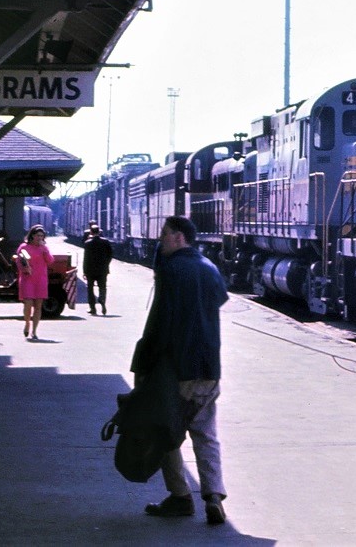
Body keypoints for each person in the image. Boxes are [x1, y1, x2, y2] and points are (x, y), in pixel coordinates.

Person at [131, 215, 229, 525]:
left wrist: (143, 364)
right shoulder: (211, 269)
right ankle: (213, 496)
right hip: (209, 366)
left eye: (164, 233)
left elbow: (158, 323)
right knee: (205, 432)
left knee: (165, 432)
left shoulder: (171, 271)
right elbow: (220, 301)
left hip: (175, 368)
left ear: (179, 237)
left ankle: (180, 496)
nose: (160, 238)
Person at [15, 225, 53, 340]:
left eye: (42, 236)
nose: (40, 238)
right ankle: (27, 322)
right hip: (28, 278)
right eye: (38, 236)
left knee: (38, 306)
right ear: (32, 236)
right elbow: (19, 261)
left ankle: (34, 331)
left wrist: (45, 250)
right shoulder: (24, 247)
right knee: (28, 303)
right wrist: (25, 268)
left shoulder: (43, 248)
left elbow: (50, 261)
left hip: (40, 279)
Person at [82, 225, 113, 315]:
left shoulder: (88, 243)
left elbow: (86, 258)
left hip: (90, 270)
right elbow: (110, 254)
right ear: (99, 232)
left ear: (91, 232)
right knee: (102, 287)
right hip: (103, 270)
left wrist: (84, 271)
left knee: (90, 289)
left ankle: (93, 308)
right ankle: (102, 300)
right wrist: (106, 264)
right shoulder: (105, 242)